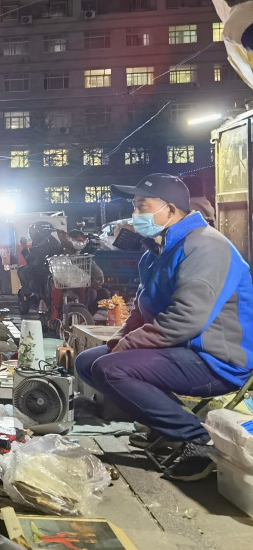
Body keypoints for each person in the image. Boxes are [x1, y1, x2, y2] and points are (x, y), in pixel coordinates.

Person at [76, 174, 253, 482]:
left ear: (170, 211)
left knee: (111, 369)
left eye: (143, 205)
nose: (136, 214)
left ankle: (199, 440)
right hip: (180, 350)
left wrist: (127, 346)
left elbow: (185, 319)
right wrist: (120, 338)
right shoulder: (155, 253)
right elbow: (145, 309)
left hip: (216, 359)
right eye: (135, 206)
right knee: (88, 362)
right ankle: (166, 428)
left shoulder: (205, 246)